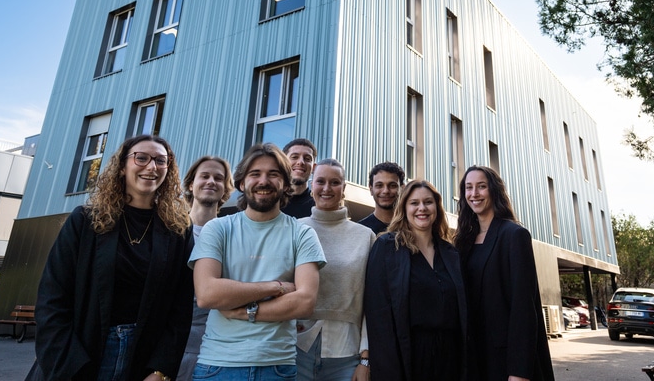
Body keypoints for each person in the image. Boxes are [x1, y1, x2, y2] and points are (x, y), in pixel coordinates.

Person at [33, 135, 194, 381]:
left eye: (161, 161)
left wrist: (161, 370)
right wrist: (70, 366)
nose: (152, 167)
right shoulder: (85, 220)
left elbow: (180, 308)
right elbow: (52, 298)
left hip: (143, 360)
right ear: (122, 166)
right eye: (142, 158)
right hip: (81, 356)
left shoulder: (178, 229)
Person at [189, 142, 326, 380]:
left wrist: (245, 311)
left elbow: (304, 302)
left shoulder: (302, 233)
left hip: (277, 366)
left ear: (285, 184)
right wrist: (276, 287)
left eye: (273, 174)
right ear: (242, 183)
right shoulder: (217, 229)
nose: (264, 181)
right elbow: (208, 294)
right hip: (217, 365)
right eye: (255, 174)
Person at [453, 165, 555, 381]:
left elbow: (524, 307)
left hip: (505, 361)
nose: (474, 194)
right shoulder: (463, 241)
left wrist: (519, 372)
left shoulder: (514, 235)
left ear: (494, 190)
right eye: (468, 188)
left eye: (481, 187)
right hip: (474, 359)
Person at [364, 180, 467, 381]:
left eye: (428, 202)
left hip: (451, 356)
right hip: (408, 354)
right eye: (414, 203)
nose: (422, 208)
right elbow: (377, 314)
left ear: (436, 207)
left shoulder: (450, 253)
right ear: (404, 207)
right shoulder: (387, 247)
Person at [297, 159, 376, 381]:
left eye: (335, 182)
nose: (326, 188)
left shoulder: (365, 236)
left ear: (344, 188)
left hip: (347, 351)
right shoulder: (293, 229)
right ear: (312, 185)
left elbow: (373, 302)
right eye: (320, 181)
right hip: (295, 348)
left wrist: (365, 359)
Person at [175, 156, 234, 381]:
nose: (211, 181)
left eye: (218, 178)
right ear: (191, 184)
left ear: (225, 189)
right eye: (205, 176)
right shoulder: (169, 231)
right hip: (172, 345)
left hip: (217, 347)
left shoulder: (233, 235)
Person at [358, 162, 405, 235]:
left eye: (392, 185)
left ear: (402, 189)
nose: (386, 191)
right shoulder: (360, 231)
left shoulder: (413, 228)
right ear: (371, 189)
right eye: (379, 185)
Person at [281, 138, 317, 218]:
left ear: (314, 168)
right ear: (283, 163)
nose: (301, 162)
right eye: (294, 157)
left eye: (307, 159)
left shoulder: (318, 206)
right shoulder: (271, 202)